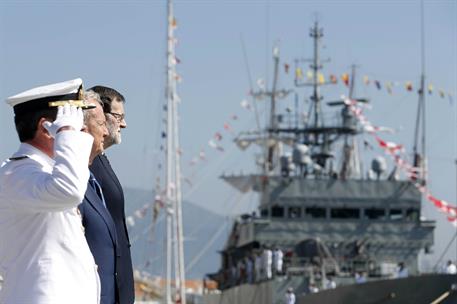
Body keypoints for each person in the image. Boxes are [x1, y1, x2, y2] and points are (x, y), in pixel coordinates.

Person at [0, 79, 100, 304]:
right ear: (47, 128)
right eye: (78, 128)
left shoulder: (41, 171)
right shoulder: (15, 174)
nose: (83, 134)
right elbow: (70, 191)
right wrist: (67, 131)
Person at [88, 86, 134, 303]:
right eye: (119, 117)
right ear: (100, 116)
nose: (123, 124)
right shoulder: (87, 164)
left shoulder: (100, 160)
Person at [79, 91, 115, 304]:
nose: (106, 132)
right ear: (82, 130)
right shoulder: (68, 185)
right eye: (101, 124)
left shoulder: (91, 180)